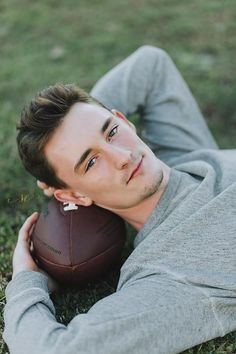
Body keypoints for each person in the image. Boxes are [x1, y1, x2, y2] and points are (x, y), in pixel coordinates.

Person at [3, 45, 236, 354]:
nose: (123, 156)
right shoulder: (172, 272)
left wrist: (86, 123)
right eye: (89, 162)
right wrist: (25, 278)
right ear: (73, 195)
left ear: (125, 121)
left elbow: (150, 65)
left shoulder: (179, 156)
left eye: (111, 132)